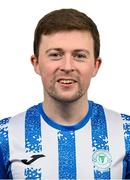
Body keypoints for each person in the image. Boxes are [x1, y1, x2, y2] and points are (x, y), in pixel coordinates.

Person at [0, 8, 130, 179]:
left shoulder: (125, 133)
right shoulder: (6, 135)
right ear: (36, 63)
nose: (67, 66)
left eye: (79, 55)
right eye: (55, 54)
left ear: (96, 66)